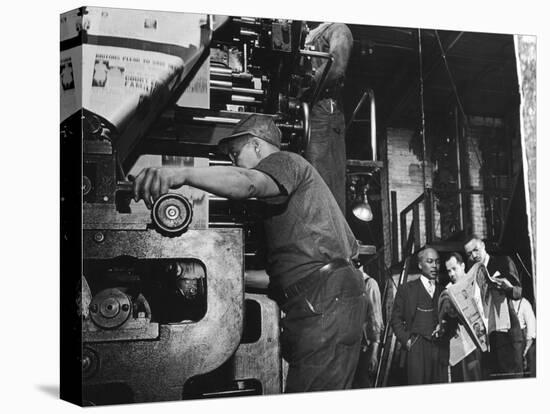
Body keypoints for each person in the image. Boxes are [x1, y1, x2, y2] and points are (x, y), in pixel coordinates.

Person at [132, 113, 367, 393]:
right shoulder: (287, 207)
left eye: (235, 154)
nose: (233, 163)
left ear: (257, 146)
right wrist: (218, 275)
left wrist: (181, 173)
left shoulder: (284, 162)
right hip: (325, 299)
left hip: (325, 301)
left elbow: (247, 182)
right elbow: (276, 278)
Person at [301, 21, 353, 213]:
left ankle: (330, 237)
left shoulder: (337, 29)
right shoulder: (309, 34)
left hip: (323, 110)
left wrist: (307, 85)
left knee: (323, 177)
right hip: (306, 110)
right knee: (308, 178)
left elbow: (337, 65)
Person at [464, 236, 523, 379]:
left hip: (506, 333)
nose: (474, 256)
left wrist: (508, 288)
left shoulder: (503, 261)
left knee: (511, 379)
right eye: (469, 254)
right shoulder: (473, 273)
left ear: (483, 246)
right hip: (487, 337)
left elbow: (519, 292)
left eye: (476, 250)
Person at [390, 247, 448, 385]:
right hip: (417, 348)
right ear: (420, 265)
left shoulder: (443, 290)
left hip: (439, 349)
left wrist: (444, 327)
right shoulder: (407, 290)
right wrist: (407, 341)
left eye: (437, 262)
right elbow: (395, 319)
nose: (435, 266)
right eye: (430, 261)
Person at [441, 252, 483, 382]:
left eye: (454, 269)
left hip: (477, 344)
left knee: (477, 378)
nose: (452, 274)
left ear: (463, 266)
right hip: (459, 348)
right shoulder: (448, 290)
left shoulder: (475, 284)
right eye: (449, 271)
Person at [352, 263, 384, 388]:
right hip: (353, 348)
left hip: (366, 348)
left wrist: (374, 353)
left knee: (363, 385)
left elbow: (375, 320)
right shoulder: (351, 284)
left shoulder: (370, 284)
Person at [512, 297, 536, 377]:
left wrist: (526, 349)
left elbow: (531, 325)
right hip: (509, 340)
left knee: (520, 368)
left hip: (521, 339)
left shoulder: (524, 303)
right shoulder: (506, 302)